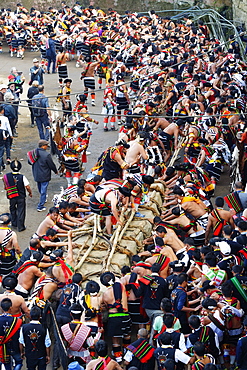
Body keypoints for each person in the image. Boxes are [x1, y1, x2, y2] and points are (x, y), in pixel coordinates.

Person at [101, 271, 131, 363]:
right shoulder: (122, 287)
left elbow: (104, 306)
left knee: (115, 340)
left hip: (114, 318)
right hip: (125, 316)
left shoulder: (105, 294)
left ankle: (118, 359)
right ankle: (127, 354)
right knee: (127, 336)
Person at [3, 159, 32, 232]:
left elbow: (5, 185)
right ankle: (21, 227)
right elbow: (27, 187)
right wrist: (30, 192)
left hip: (11, 196)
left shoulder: (6, 176)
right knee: (21, 211)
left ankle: (14, 223)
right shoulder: (22, 177)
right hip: (20, 197)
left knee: (12, 209)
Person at [19, 306, 51, 370]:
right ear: (40, 316)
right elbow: (47, 344)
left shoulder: (24, 327)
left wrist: (22, 352)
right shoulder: (44, 328)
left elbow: (21, 342)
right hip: (41, 355)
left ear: (30, 316)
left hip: (30, 355)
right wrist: (48, 355)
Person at [31, 140, 58, 212]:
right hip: (44, 174)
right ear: (43, 146)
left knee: (40, 187)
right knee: (43, 189)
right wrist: (55, 171)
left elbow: (29, 162)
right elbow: (51, 164)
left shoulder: (33, 152)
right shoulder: (46, 155)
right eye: (46, 145)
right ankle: (40, 205)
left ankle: (43, 198)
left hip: (36, 173)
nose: (47, 147)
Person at [0, 298, 22, 370]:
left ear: (1, 308)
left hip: (2, 348)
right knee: (19, 362)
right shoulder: (18, 321)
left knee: (6, 364)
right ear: (10, 308)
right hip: (15, 346)